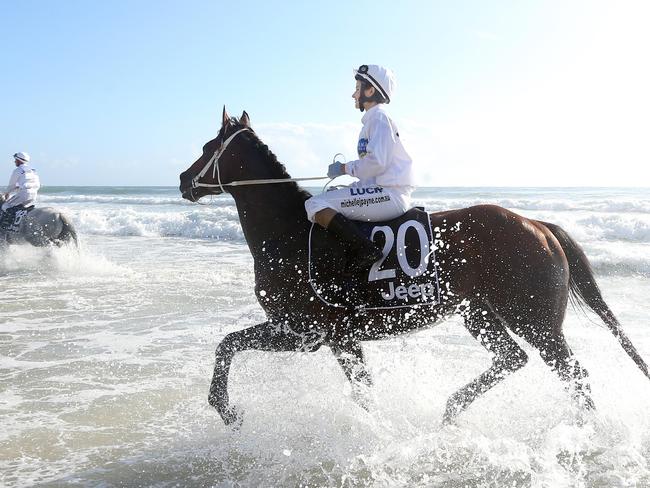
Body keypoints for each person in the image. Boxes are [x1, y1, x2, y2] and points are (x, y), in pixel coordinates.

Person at [305, 64, 415, 272]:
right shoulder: (371, 121)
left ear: (370, 90)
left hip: (390, 195)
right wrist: (352, 184)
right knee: (329, 196)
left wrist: (345, 168)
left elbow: (377, 163)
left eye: (358, 88)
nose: (353, 94)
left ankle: (366, 250)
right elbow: (375, 173)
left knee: (315, 204)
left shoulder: (380, 118)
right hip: (382, 190)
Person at [0, 152, 41, 229]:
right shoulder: (33, 170)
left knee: (5, 206)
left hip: (24, 193)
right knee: (19, 207)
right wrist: (19, 187)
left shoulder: (18, 170)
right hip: (34, 194)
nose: (14, 161)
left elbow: (12, 185)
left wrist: (7, 193)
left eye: (15, 160)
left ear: (19, 160)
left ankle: (8, 226)